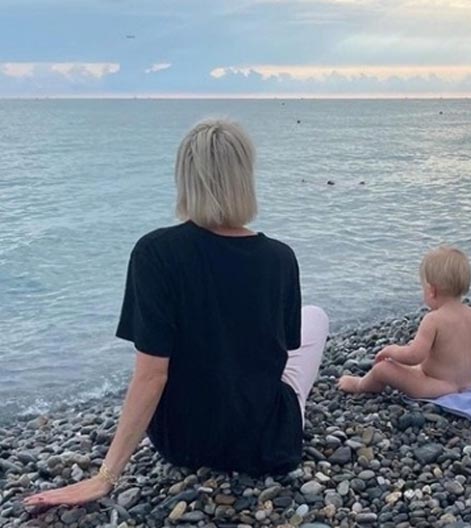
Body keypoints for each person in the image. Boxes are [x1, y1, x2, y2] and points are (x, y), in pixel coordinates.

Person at [25, 119, 329, 507]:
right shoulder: (280, 258)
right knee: (315, 318)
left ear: (185, 177)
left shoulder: (155, 252)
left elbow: (152, 375)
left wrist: (106, 476)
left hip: (182, 441)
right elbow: (282, 348)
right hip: (266, 441)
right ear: (245, 177)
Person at [338, 246, 471, 398]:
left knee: (383, 368)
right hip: (467, 384)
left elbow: (414, 356)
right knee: (422, 360)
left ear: (432, 291)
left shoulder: (433, 319)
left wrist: (391, 350)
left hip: (438, 386)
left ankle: (360, 385)